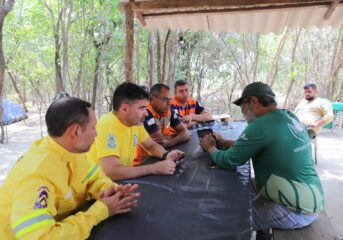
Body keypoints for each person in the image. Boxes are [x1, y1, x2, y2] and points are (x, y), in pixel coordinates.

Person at [0, 97, 140, 240]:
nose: (96, 134)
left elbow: (93, 177)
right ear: (76, 131)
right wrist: (101, 211)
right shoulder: (36, 175)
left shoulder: (71, 149)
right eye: (93, 128)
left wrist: (108, 190)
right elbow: (42, 237)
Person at [199, 82, 324, 240]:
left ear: (254, 102)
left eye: (243, 106)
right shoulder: (287, 115)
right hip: (310, 193)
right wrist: (223, 142)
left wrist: (211, 148)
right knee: (241, 185)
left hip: (298, 209)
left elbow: (229, 160)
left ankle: (262, 231)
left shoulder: (260, 125)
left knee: (230, 219)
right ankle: (264, 234)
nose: (243, 112)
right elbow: (259, 144)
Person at [87, 82, 184, 181]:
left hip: (119, 182)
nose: (146, 113)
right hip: (96, 190)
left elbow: (150, 145)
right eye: (142, 108)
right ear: (124, 108)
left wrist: (166, 154)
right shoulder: (107, 126)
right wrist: (154, 168)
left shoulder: (135, 123)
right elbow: (111, 172)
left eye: (146, 108)